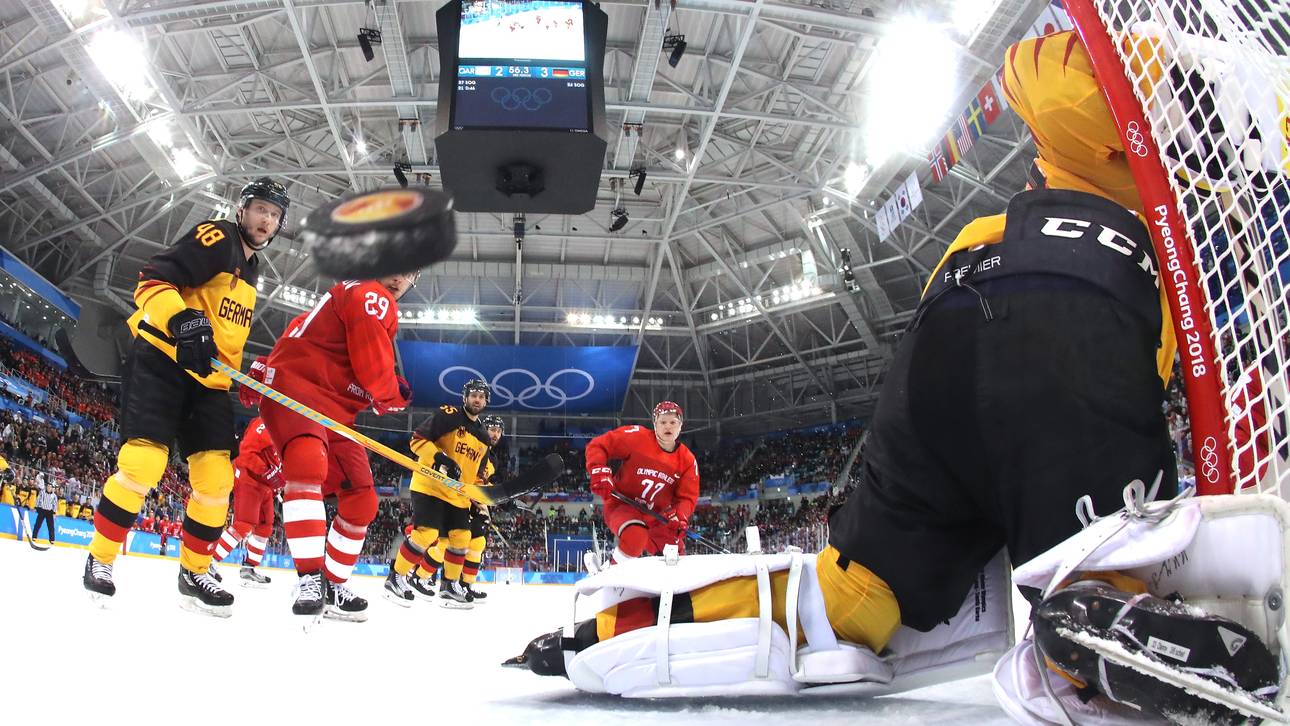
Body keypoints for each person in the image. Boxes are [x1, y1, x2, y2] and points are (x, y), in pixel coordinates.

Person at [505, 31, 1277, 722]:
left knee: (846, 601)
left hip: (954, 313)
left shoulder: (1074, 90)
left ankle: (594, 637)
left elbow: (1029, 69)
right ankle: (1098, 617)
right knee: (1101, 562)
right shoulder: (1192, 102)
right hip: (1085, 296)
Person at [81, 176, 288, 617]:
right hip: (161, 361)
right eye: (260, 210)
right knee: (142, 464)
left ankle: (194, 571)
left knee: (216, 482)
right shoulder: (216, 238)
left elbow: (223, 333)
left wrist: (241, 370)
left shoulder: (253, 270)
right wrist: (183, 322)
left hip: (209, 382)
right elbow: (151, 282)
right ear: (242, 209)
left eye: (274, 215)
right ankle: (100, 558)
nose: (266, 220)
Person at [254, 271, 417, 618]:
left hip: (335, 411)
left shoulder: (346, 296)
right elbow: (374, 371)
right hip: (298, 393)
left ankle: (332, 584)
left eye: (411, 274)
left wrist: (265, 366)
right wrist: (391, 393)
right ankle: (309, 578)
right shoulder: (373, 295)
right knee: (307, 465)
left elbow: (302, 331)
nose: (401, 279)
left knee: (362, 501)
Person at [384, 379, 492, 609]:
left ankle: (449, 587)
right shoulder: (449, 415)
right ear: (464, 398)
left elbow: (476, 476)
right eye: (473, 395)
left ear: (486, 401)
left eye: (482, 396)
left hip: (458, 496)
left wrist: (480, 500)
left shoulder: (484, 437)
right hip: (430, 485)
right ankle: (395, 578)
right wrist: (440, 458)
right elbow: (417, 441)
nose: (477, 399)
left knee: (462, 538)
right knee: (425, 534)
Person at [585, 401, 699, 565]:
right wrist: (598, 469)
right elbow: (599, 445)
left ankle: (669, 589)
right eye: (663, 422)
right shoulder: (637, 437)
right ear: (655, 424)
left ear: (680, 426)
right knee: (635, 537)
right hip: (622, 505)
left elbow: (687, 497)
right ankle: (612, 574)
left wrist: (680, 516)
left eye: (673, 422)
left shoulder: (687, 460)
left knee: (675, 554)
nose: (668, 426)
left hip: (657, 516)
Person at [409, 413, 505, 603]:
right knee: (447, 542)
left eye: (499, 431)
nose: (495, 434)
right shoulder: (467, 441)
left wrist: (483, 506)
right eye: (492, 429)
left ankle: (464, 584)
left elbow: (479, 483)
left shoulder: (492, 458)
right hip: (450, 497)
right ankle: (420, 576)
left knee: (477, 543)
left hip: (468, 502)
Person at [209, 417, 283, 587]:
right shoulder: (265, 423)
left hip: (265, 485)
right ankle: (209, 562)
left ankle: (248, 569)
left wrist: (278, 481)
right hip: (249, 479)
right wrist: (267, 473)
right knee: (244, 524)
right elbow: (246, 454)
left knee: (265, 526)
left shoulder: (286, 428)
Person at [32, 478, 57, 545]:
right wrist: (36, 507)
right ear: (46, 487)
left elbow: (55, 504)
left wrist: (54, 513)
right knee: (38, 524)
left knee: (51, 526)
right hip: (42, 510)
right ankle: (34, 536)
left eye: (50, 487)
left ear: (52, 488)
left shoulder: (54, 496)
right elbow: (38, 500)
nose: (49, 488)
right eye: (48, 486)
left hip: (49, 512)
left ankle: (52, 540)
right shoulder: (42, 492)